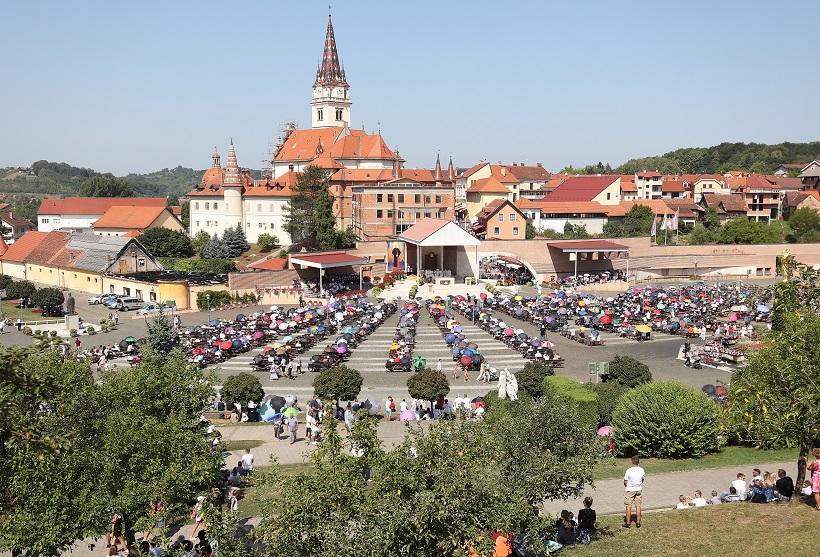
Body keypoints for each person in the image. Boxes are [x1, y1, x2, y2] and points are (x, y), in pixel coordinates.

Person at [623, 455, 644, 529]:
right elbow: (642, 480)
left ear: (632, 461)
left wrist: (627, 486)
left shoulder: (629, 470)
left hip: (630, 489)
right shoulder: (641, 470)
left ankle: (628, 523)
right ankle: (638, 523)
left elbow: (625, 481)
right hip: (638, 489)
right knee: (638, 505)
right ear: (638, 462)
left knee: (628, 506)